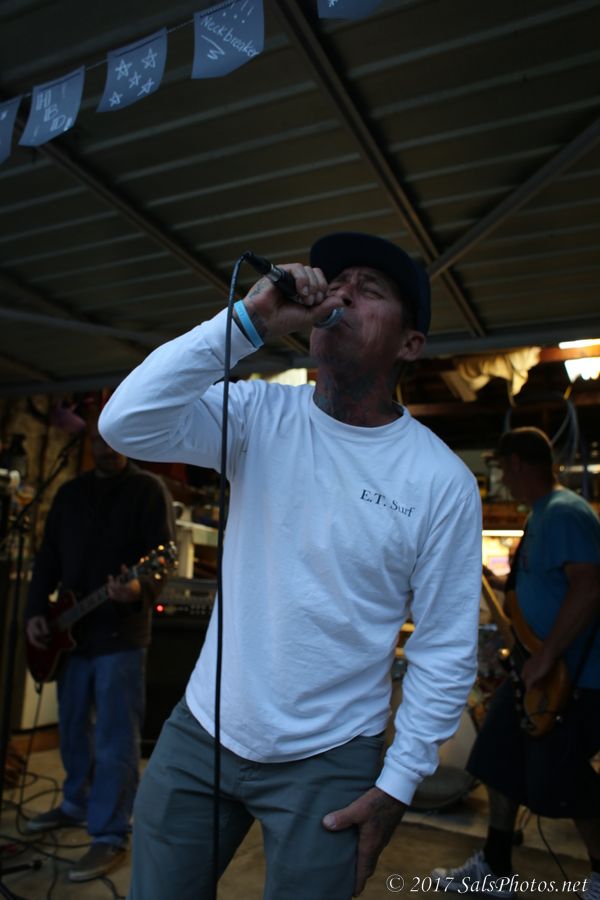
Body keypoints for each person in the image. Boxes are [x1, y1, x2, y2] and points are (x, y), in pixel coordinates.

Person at [99, 231, 483, 899]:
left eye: (370, 289)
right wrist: (247, 322)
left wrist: (397, 785)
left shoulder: (439, 480)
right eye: (337, 283)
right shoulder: (257, 414)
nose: (343, 294)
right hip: (203, 731)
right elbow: (125, 424)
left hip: (331, 756)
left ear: (410, 344)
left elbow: (446, 649)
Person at [432, 427, 600, 899]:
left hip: (574, 677)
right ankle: (495, 865)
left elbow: (589, 587)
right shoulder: (543, 515)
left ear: (519, 464)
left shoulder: (565, 512)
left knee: (563, 778)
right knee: (497, 757)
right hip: (535, 669)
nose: (502, 478)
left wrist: (547, 655)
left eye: (503, 467)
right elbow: (546, 588)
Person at [24, 420, 175, 882]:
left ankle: (110, 832)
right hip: (70, 634)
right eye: (99, 442)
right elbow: (48, 557)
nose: (107, 450)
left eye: (114, 442)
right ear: (90, 444)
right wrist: (35, 611)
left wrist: (138, 588)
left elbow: (163, 557)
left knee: (114, 738)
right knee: (72, 727)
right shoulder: (70, 493)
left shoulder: (148, 490)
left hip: (120, 636)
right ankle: (77, 802)